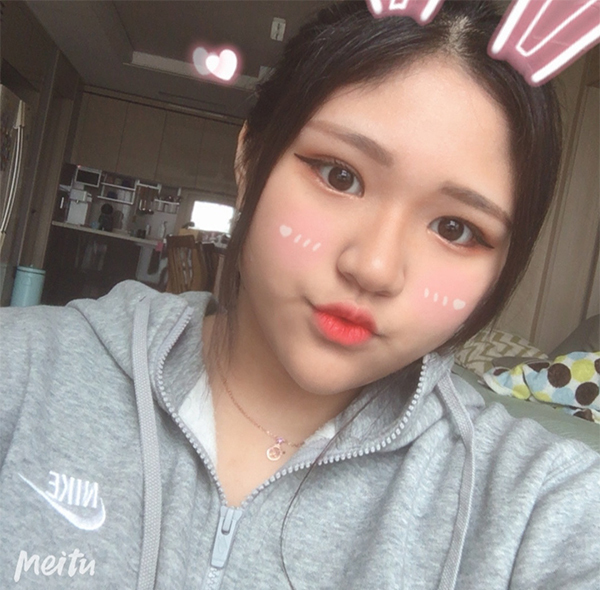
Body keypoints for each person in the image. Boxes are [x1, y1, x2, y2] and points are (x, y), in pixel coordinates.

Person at [0, 2, 598, 589]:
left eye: (456, 229)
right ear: (249, 158)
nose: (374, 268)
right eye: (341, 176)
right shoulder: (24, 370)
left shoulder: (533, 503)